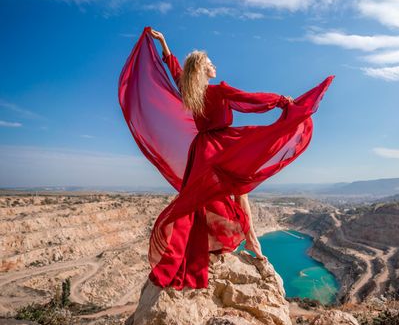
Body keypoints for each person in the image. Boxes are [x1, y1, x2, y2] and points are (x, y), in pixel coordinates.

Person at [118, 26, 334, 290]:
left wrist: (164, 46)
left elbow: (176, 72)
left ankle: (214, 248)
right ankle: (252, 242)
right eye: (210, 63)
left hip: (201, 153)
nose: (214, 65)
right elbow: (248, 100)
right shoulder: (218, 91)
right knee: (238, 192)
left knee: (198, 202)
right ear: (202, 70)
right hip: (224, 148)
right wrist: (280, 101)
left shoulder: (191, 93)